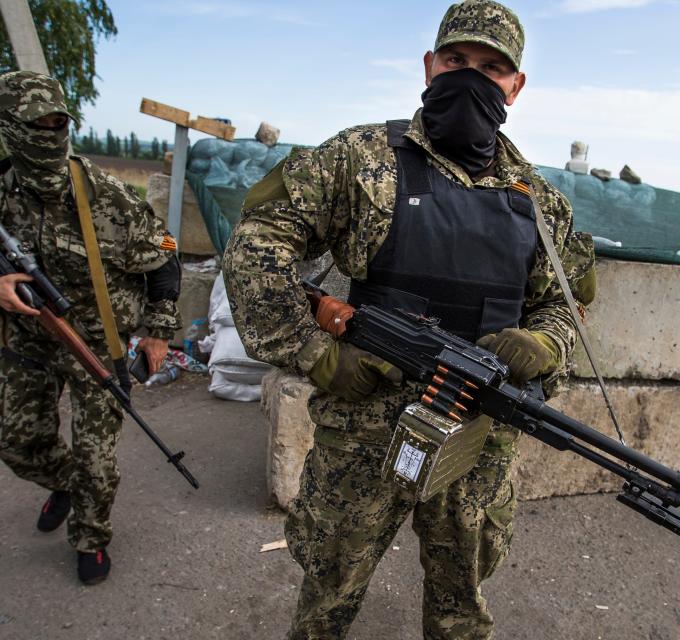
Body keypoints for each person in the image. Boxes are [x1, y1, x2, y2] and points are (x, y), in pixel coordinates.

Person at [224, 1, 596, 637]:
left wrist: (545, 342)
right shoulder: (362, 157)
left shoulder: (539, 201)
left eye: (492, 67)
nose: (471, 78)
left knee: (462, 601)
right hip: (365, 424)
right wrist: (314, 352)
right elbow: (259, 239)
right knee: (330, 588)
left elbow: (565, 302)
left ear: (516, 85)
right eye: (457, 61)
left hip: (476, 430)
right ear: (429, 66)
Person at [0, 71, 182, 585]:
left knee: (98, 458)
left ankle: (91, 536)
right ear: (9, 128)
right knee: (12, 441)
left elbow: (165, 254)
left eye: (59, 123)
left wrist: (160, 329)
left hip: (98, 344)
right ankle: (68, 484)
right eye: (38, 124)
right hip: (29, 338)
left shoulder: (110, 197)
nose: (51, 134)